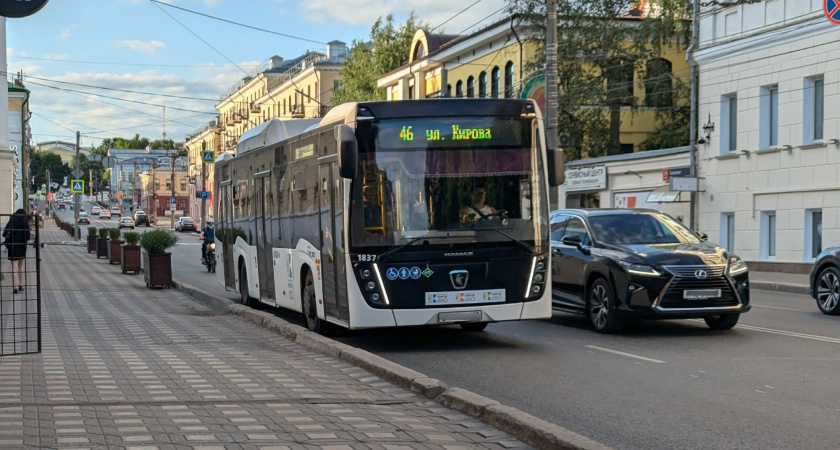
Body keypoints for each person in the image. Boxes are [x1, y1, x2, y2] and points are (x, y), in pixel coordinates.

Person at [3, 209, 31, 294]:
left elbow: (5, 233)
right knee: (21, 265)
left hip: (13, 246)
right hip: (22, 246)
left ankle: (15, 288)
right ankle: (20, 285)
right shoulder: (25, 221)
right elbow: (28, 236)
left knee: (14, 267)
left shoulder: (12, 220)